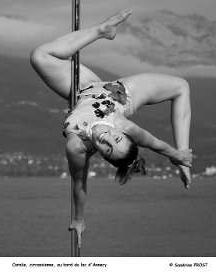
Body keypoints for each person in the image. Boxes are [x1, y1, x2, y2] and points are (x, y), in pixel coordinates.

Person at [30, 9, 192, 247]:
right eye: (116, 139)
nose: (106, 139)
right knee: (181, 86)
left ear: (102, 155)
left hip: (83, 90)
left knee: (38, 55)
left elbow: (79, 182)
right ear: (122, 133)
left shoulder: (76, 146)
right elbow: (154, 143)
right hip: (121, 93)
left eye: (106, 149)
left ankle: (98, 31)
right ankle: (102, 30)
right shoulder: (122, 124)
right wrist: (179, 156)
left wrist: (79, 219)